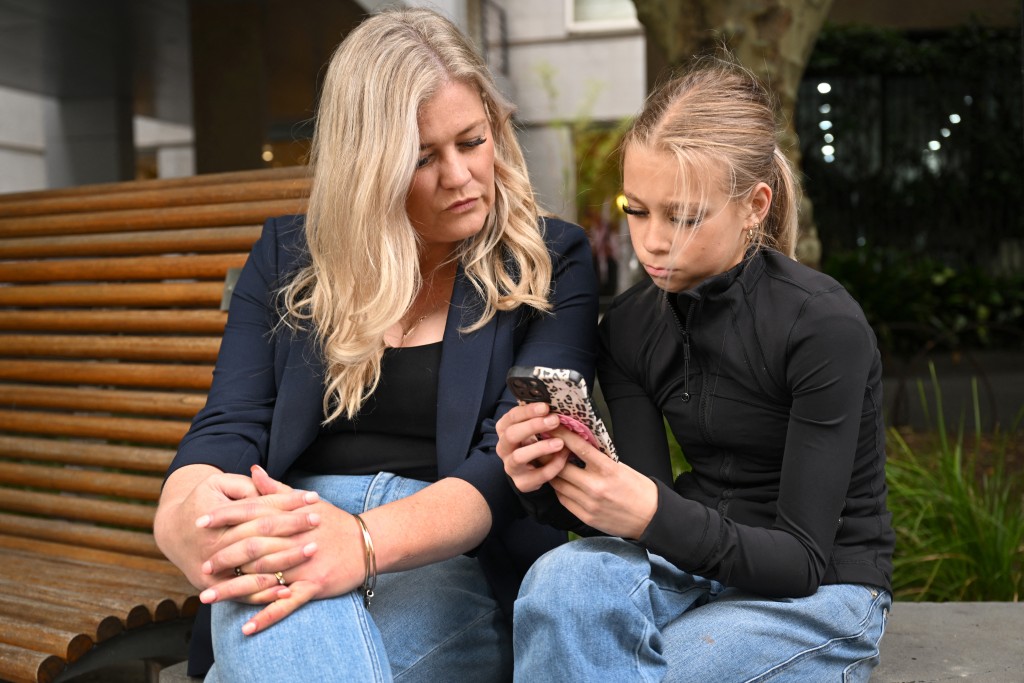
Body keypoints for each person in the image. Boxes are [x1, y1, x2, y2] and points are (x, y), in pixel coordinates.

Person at [153, 8, 599, 682]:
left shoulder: (549, 261)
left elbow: (508, 466)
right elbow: (229, 424)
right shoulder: (289, 257)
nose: (460, 175)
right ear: (368, 168)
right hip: (294, 525)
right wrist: (185, 516)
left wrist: (360, 541)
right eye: (422, 158)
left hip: (446, 551)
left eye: (472, 141)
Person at [496, 55, 895, 682]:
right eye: (636, 209)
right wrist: (548, 482)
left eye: (683, 216)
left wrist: (650, 511)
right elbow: (644, 513)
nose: (652, 240)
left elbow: (801, 561)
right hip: (689, 561)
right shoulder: (630, 326)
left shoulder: (823, 326)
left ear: (755, 205)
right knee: (559, 582)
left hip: (824, 589)